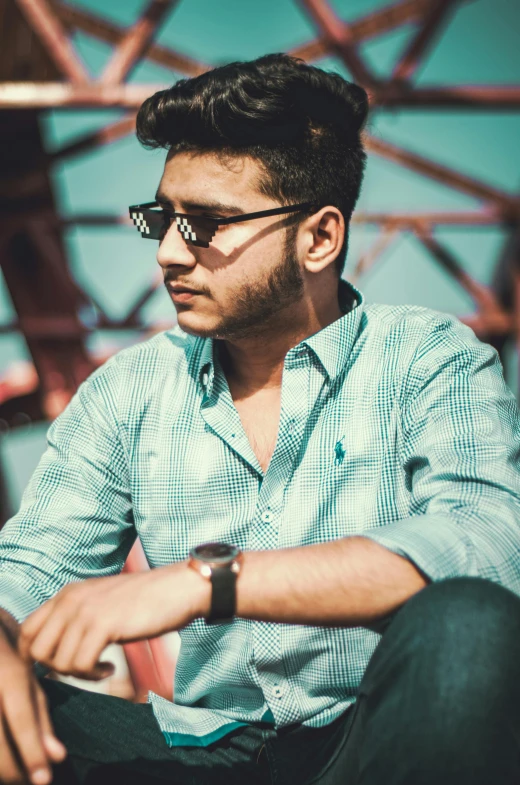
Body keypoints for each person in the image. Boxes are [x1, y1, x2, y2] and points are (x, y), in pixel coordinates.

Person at [0, 52, 519, 785]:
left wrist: (209, 580)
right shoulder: (130, 390)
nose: (170, 255)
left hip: (376, 739)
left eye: (206, 224)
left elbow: (489, 547)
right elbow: (23, 569)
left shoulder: (429, 360)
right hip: (197, 751)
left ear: (319, 238)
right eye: (163, 219)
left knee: (467, 624)